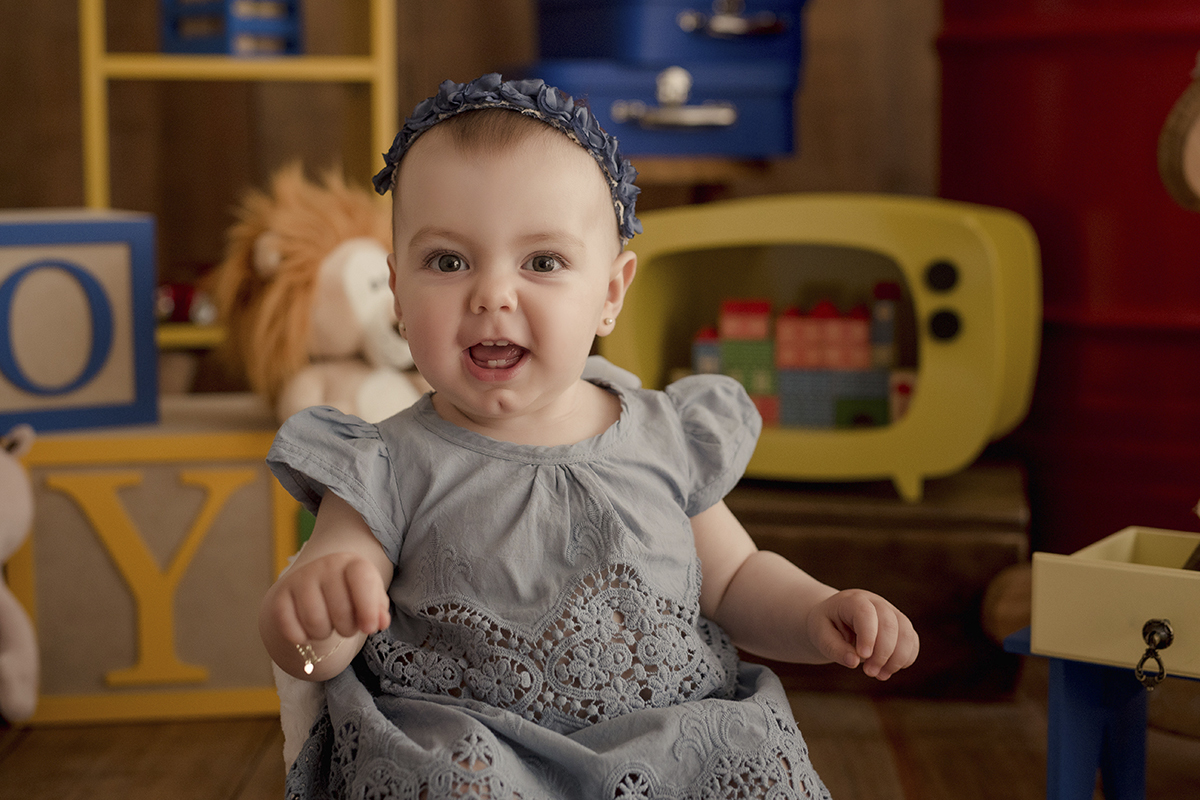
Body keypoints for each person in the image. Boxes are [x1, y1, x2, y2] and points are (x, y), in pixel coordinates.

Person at [259, 73, 919, 800]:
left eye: (542, 262)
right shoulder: (382, 463)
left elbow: (734, 578)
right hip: (476, 741)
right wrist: (315, 620)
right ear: (398, 292)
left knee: (750, 761)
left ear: (610, 292)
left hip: (670, 735)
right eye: (448, 261)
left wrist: (816, 612)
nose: (493, 294)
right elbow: (316, 639)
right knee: (451, 780)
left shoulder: (664, 436)